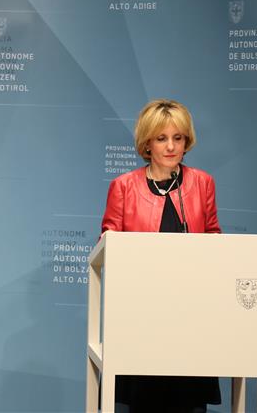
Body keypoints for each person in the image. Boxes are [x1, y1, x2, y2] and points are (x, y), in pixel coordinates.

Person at [100, 99, 221, 413]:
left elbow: (214, 239)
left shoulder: (202, 183)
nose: (171, 146)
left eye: (178, 138)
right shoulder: (123, 187)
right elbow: (108, 246)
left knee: (188, 405)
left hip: (190, 318)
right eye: (161, 138)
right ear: (147, 144)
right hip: (140, 318)